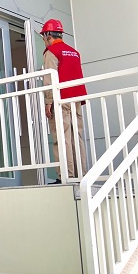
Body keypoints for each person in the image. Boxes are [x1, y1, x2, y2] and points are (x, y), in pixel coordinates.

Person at [40, 19, 88, 182]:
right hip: (76, 99)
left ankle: (67, 177)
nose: (44, 40)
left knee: (62, 138)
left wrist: (48, 102)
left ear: (48, 35)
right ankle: (81, 175)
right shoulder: (73, 52)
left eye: (44, 37)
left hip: (60, 99)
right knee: (76, 137)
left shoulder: (51, 51)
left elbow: (50, 78)